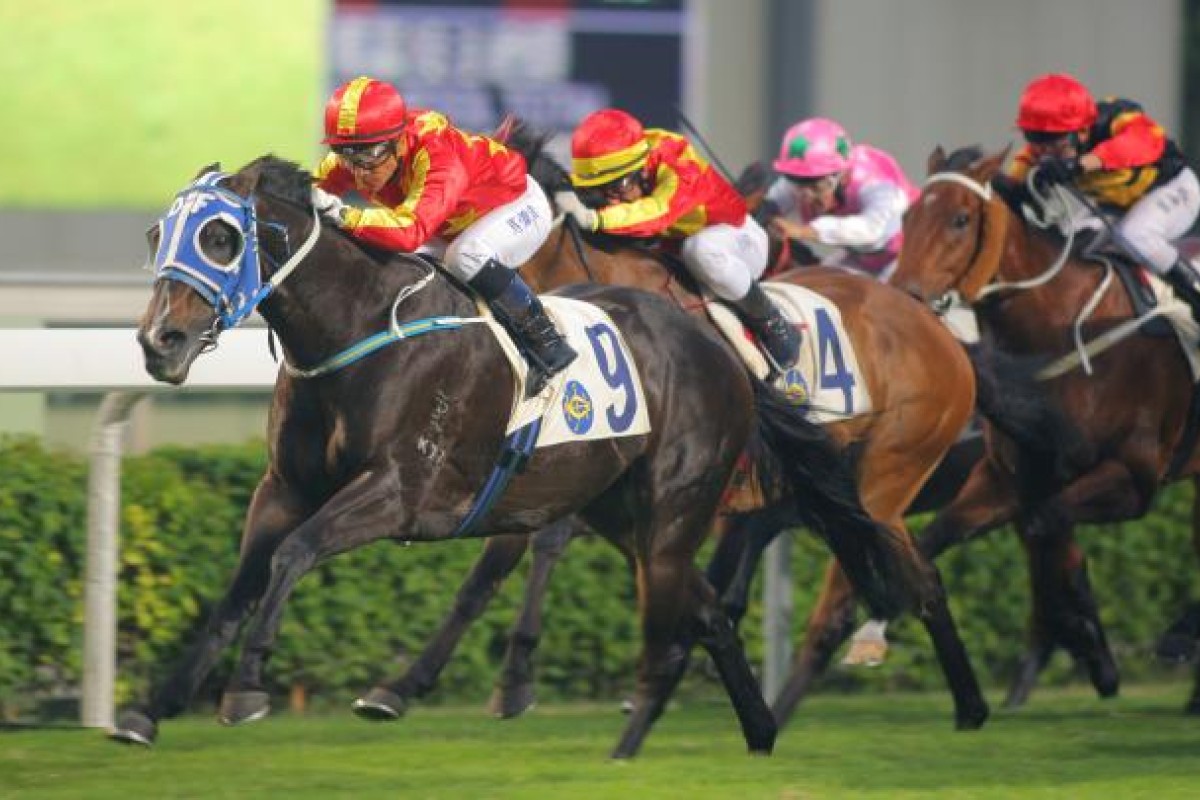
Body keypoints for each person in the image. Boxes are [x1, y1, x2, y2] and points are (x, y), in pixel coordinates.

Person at [311, 76, 575, 393]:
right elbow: (306, 191)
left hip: (517, 205)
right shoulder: (364, 150)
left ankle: (548, 342)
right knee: (401, 269)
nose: (358, 171)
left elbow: (410, 232)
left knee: (463, 257)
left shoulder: (437, 156)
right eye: (346, 155)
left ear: (398, 141)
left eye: (369, 156)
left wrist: (341, 213)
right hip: (452, 226)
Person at [556, 108, 800, 371]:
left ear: (640, 169)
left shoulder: (679, 163)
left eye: (617, 187)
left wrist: (596, 218)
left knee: (701, 249)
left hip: (738, 241)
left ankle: (774, 323)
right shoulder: (631, 163)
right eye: (600, 194)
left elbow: (658, 213)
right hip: (678, 246)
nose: (612, 201)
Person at [1005, 72, 1200, 319]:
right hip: (1114, 205)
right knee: (1071, 248)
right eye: (1035, 139)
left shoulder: (1117, 118)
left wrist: (1080, 164)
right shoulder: (1046, 147)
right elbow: (1016, 176)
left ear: (1083, 132)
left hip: (1172, 189)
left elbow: (1143, 142)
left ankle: (1195, 297)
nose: (1045, 152)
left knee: (1134, 234)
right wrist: (1015, 188)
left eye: (1056, 143)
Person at [757, 118, 919, 281]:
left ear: (842, 176)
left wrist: (804, 231)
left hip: (908, 256)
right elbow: (772, 202)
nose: (806, 196)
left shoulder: (875, 181)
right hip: (860, 257)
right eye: (797, 183)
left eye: (816, 187)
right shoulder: (805, 179)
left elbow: (873, 228)